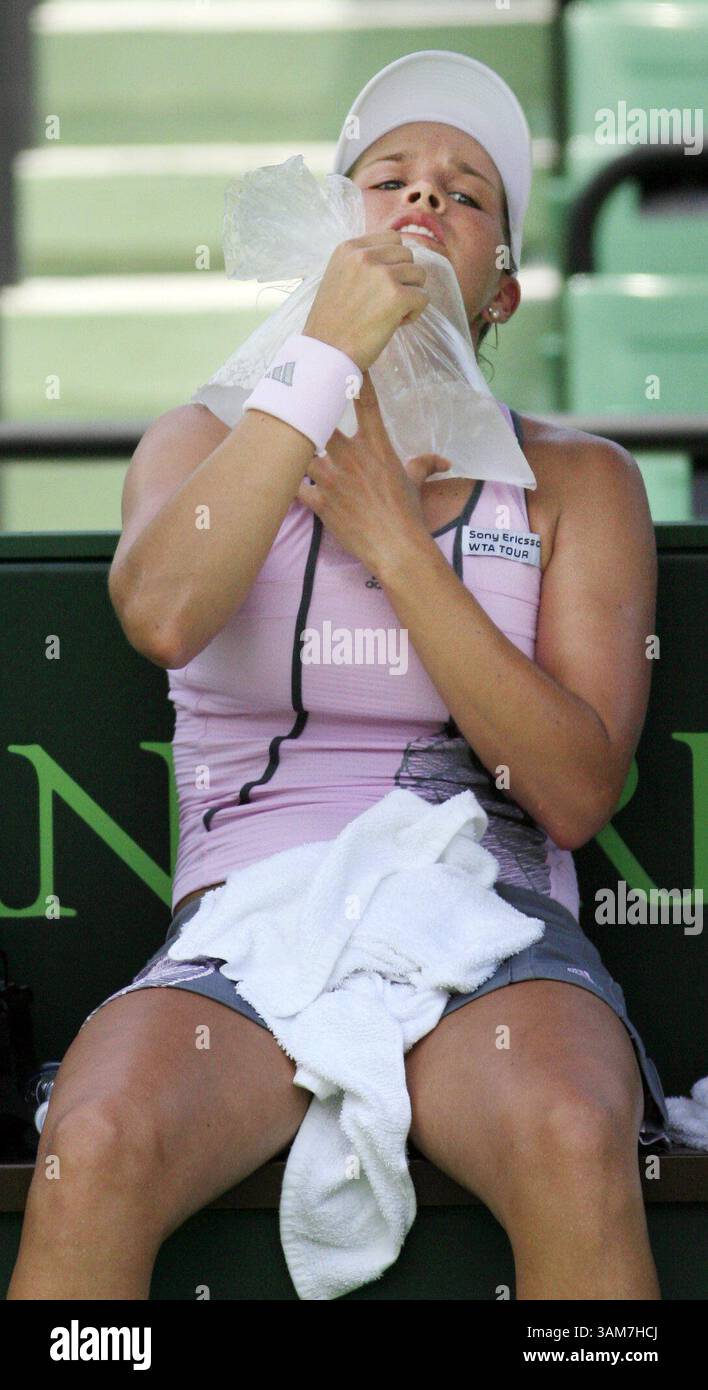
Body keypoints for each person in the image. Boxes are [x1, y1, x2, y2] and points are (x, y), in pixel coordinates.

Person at [8, 50, 670, 1302]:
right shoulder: (204, 440)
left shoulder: (583, 481)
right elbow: (159, 611)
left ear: (502, 291)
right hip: (246, 941)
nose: (424, 204)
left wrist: (395, 543)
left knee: (575, 1137)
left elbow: (577, 791)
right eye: (389, 181)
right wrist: (321, 367)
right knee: (90, 1147)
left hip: (494, 936)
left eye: (466, 196)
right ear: (329, 233)